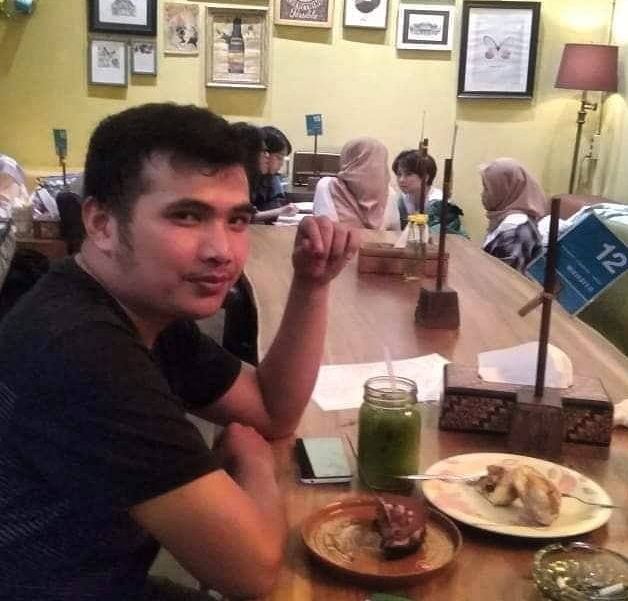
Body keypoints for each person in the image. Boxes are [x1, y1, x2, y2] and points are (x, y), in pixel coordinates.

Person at [0, 103, 359, 601]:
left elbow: (272, 411)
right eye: (187, 216)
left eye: (237, 220)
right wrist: (253, 461)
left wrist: (312, 285)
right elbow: (251, 571)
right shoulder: (82, 350)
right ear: (101, 224)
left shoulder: (141, 309)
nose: (222, 251)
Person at [480, 156, 549, 273]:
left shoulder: (514, 232)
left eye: (487, 189)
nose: (482, 194)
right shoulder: (505, 221)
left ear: (503, 190)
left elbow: (503, 278)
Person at [313, 136, 396, 230]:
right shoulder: (390, 193)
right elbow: (395, 233)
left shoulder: (326, 186)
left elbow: (321, 226)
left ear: (347, 159)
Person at [391, 149, 467, 236]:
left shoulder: (440, 203)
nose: (401, 180)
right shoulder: (401, 199)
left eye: (408, 174)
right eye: (399, 174)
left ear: (426, 177)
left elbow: (440, 237)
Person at [232, 122, 296, 224]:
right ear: (250, 154)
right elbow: (242, 215)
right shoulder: (235, 178)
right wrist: (279, 211)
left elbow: (275, 204)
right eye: (263, 151)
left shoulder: (267, 178)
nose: (267, 156)